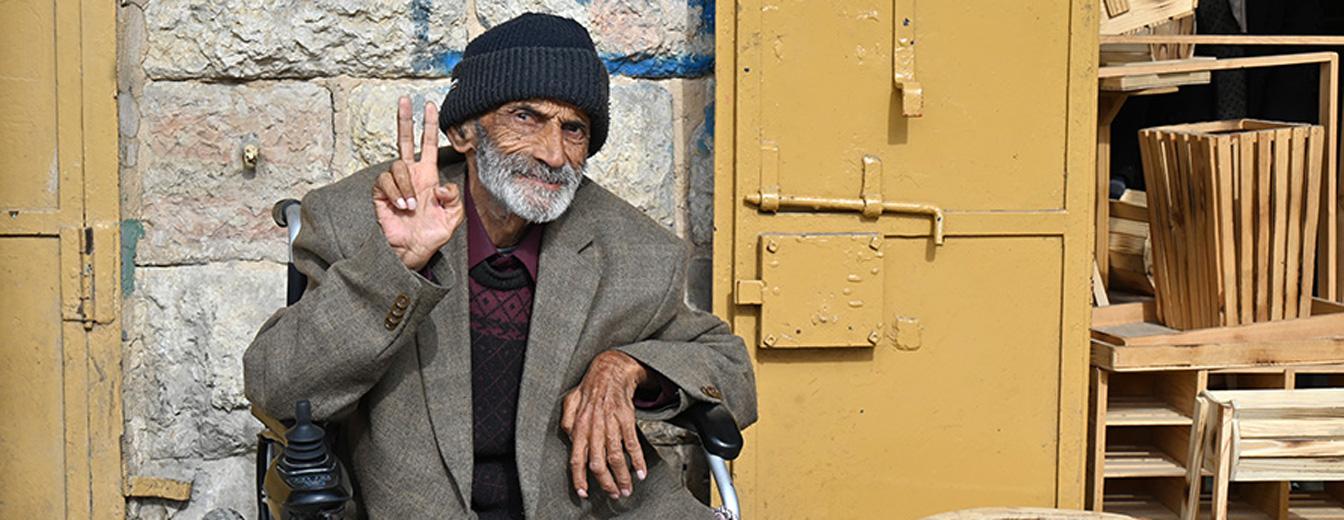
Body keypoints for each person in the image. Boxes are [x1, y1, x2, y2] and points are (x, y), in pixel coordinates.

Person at [243, 12, 757, 519]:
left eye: (574, 128)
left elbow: (731, 371)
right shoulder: (355, 216)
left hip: (587, 509)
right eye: (526, 117)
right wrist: (397, 266)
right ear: (465, 133)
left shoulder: (637, 251)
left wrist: (627, 368)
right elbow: (279, 390)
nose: (554, 154)